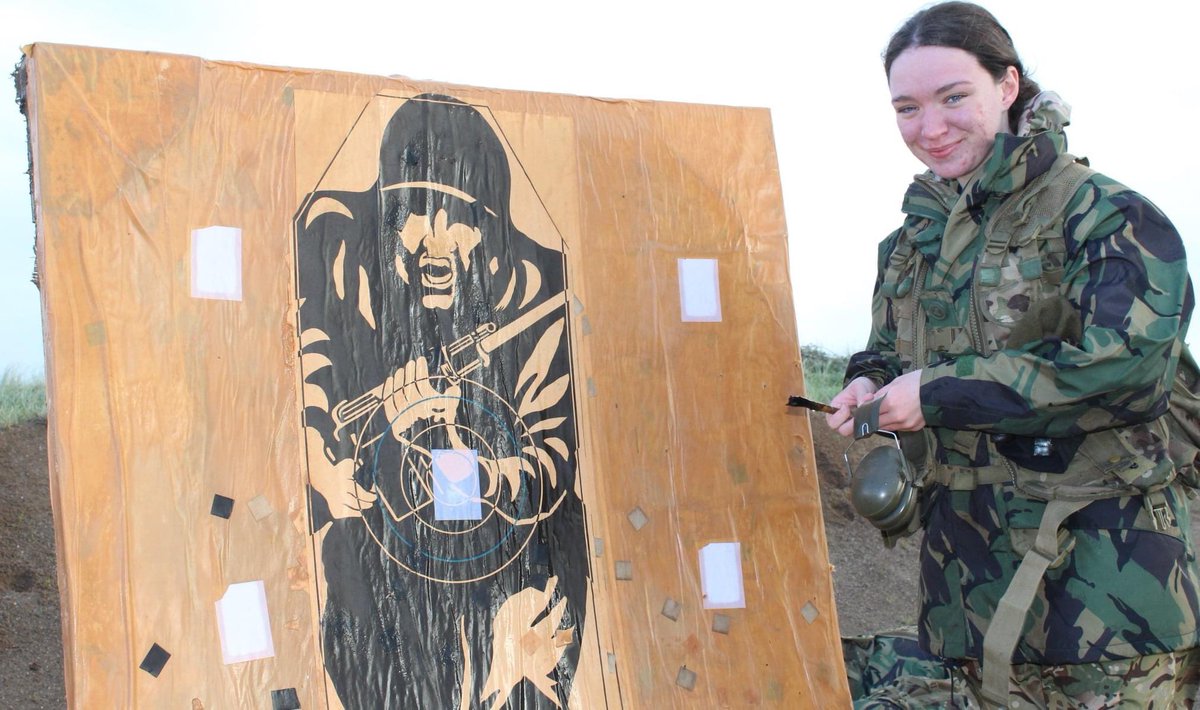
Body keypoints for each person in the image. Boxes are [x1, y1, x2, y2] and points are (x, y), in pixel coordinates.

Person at [826, 2, 1200, 705]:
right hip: (963, 596)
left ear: (1007, 86)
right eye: (906, 108)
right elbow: (887, 346)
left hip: (1105, 605)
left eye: (952, 96)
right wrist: (867, 383)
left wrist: (935, 393)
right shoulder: (913, 241)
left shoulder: (1109, 216)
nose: (928, 128)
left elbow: (1126, 370)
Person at [296, 94, 589, 708]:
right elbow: (313, 366)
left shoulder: (533, 291)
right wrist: (332, 466)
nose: (435, 242)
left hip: (501, 538)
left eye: (459, 217)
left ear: (489, 222)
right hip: (387, 533)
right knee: (350, 554)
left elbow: (551, 458)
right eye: (414, 213)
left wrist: (453, 447)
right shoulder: (340, 248)